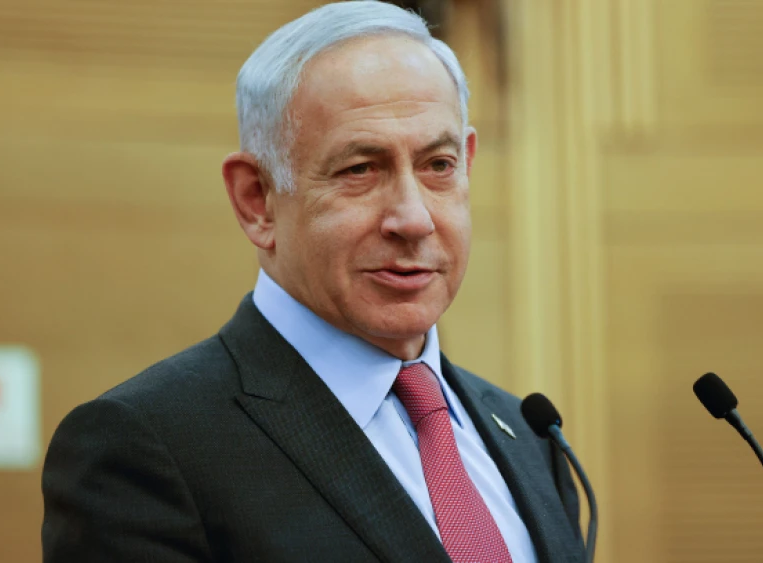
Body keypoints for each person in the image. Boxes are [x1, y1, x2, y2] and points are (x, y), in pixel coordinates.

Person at [40, 2, 584, 562]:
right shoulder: (147, 448)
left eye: (438, 165)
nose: (414, 218)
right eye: (360, 170)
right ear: (257, 200)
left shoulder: (531, 436)